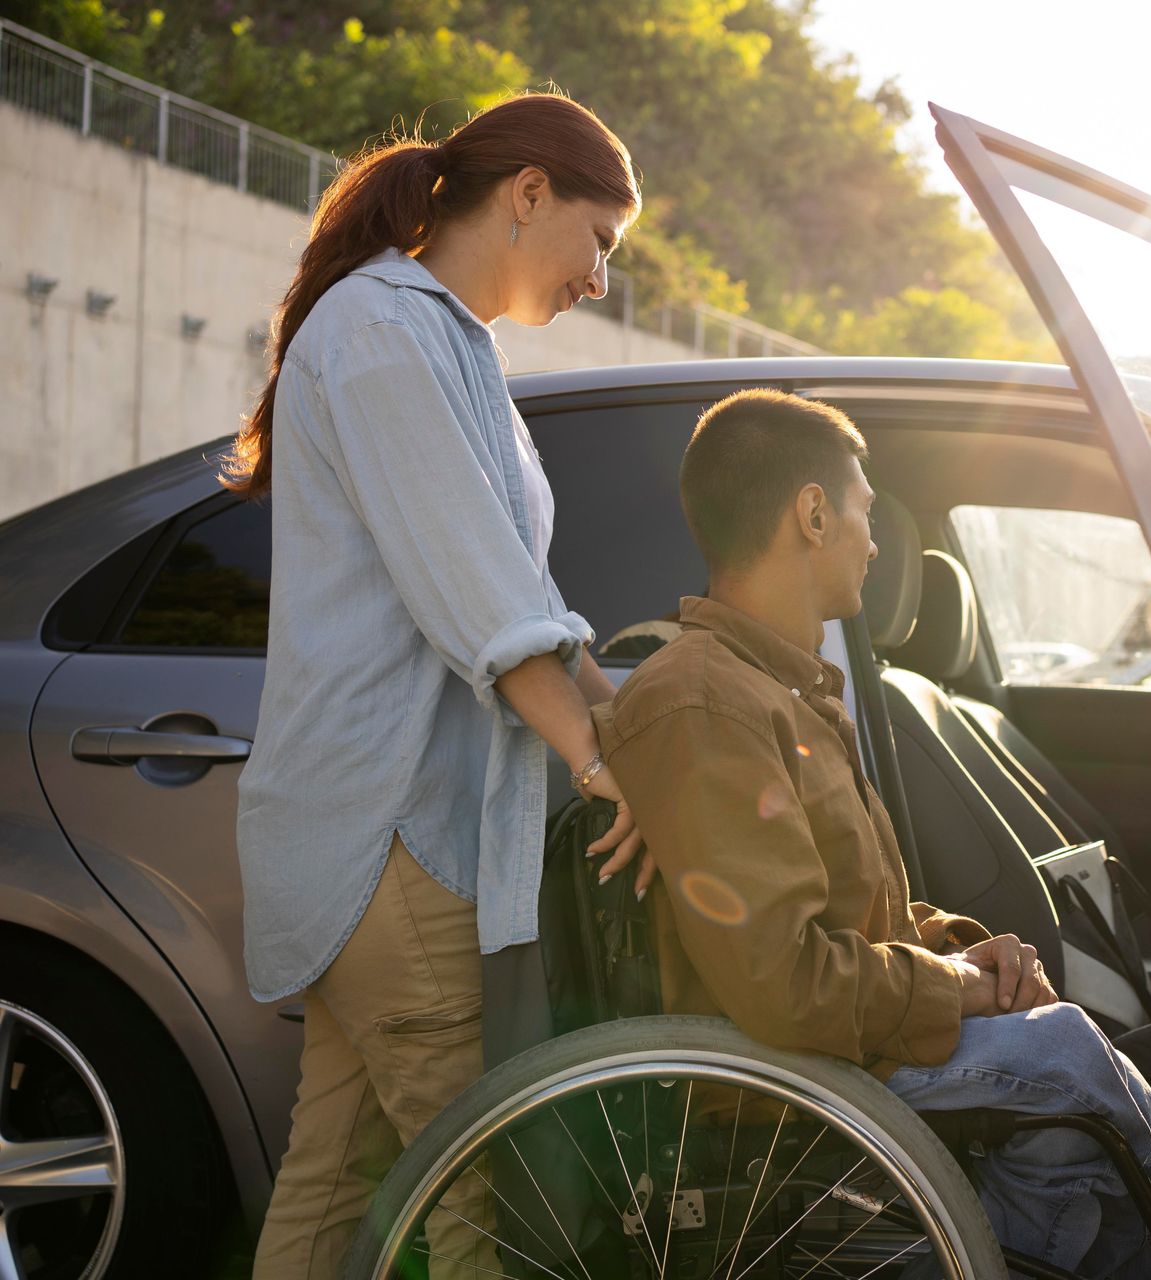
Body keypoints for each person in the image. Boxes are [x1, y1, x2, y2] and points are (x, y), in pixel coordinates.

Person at [591, 388, 1151, 1277]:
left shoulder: (785, 691)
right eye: (866, 513)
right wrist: (955, 992)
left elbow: (853, 916)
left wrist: (961, 954)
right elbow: (783, 983)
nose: (874, 541)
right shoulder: (707, 702)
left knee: (1066, 1039)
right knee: (1066, 1065)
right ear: (814, 514)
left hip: (842, 1036)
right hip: (778, 1076)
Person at [225, 92, 648, 1278]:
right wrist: (605, 765)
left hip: (384, 838)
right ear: (527, 195)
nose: (602, 281)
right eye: (600, 241)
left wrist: (638, 714)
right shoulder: (381, 331)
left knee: (329, 1183)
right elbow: (489, 606)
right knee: (475, 1210)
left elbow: (525, 599)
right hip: (391, 839)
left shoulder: (447, 341)